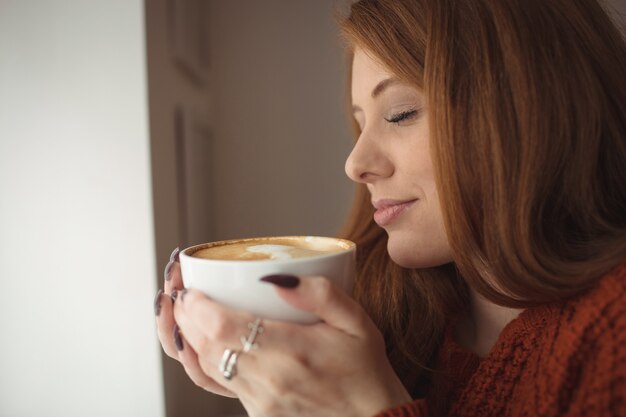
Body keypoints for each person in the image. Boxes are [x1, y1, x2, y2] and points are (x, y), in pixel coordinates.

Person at [154, 0, 626, 415]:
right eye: (360, 125)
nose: (355, 164)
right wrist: (280, 395)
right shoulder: (380, 320)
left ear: (529, 105)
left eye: (400, 114)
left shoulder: (612, 335)